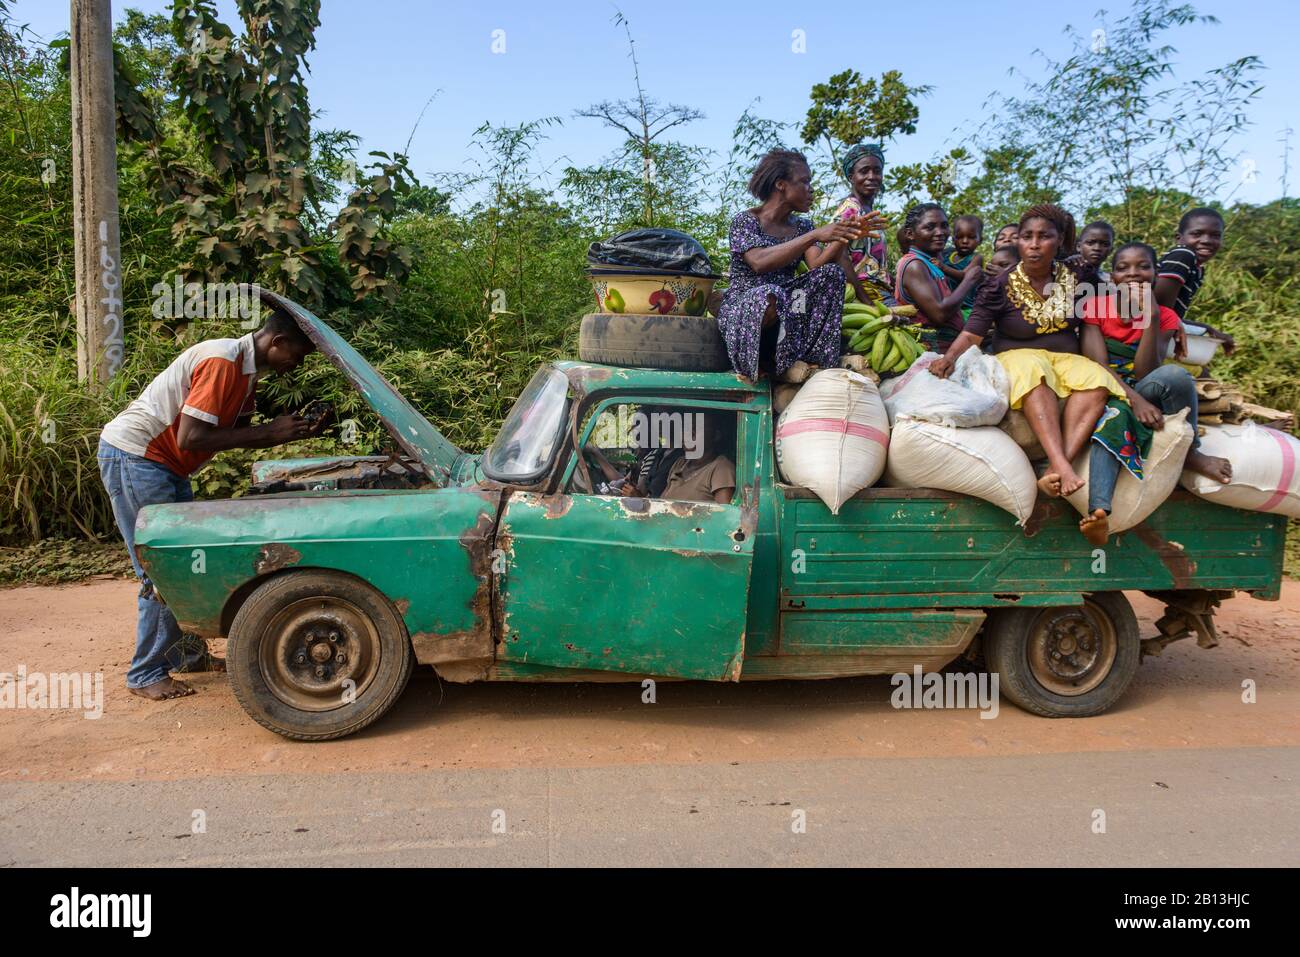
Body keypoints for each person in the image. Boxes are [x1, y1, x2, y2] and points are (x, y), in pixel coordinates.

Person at [98, 301, 326, 701]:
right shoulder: (223, 362)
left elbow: (236, 431)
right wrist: (270, 433)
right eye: (298, 354)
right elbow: (192, 437)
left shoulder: (247, 371)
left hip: (164, 465)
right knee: (162, 568)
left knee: (183, 561)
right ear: (277, 341)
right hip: (138, 459)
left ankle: (186, 656)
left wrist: (292, 430)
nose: (298, 364)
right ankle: (146, 673)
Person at [929, 204, 1127, 498]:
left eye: (1044, 236)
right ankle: (1061, 462)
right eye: (1026, 237)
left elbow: (1113, 307)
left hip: (1066, 360)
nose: (1034, 245)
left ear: (1059, 240)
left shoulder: (1079, 277)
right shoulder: (999, 284)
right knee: (1033, 370)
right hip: (1017, 357)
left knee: (1097, 379)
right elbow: (972, 332)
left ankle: (1056, 469)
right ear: (1018, 240)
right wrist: (948, 358)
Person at [1078, 242, 1234, 544]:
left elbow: (1147, 373)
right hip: (1105, 385)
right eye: (1123, 268)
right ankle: (1098, 512)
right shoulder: (1094, 308)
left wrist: (1149, 319)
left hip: (1145, 384)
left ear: (1155, 274)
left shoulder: (1165, 316)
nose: (1133, 274)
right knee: (1114, 418)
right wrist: (1133, 401)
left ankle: (1191, 453)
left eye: (1143, 267)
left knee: (1176, 375)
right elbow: (1096, 366)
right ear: (1112, 276)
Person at [716, 149, 879, 380]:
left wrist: (846, 234)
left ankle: (815, 361)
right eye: (804, 181)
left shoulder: (803, 226)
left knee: (830, 274)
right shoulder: (747, 221)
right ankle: (763, 363)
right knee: (770, 294)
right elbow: (759, 263)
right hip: (749, 306)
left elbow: (817, 265)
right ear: (781, 184)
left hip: (789, 305)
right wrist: (814, 236)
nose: (811, 189)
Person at [894, 203, 982, 353]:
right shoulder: (915, 265)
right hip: (931, 352)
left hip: (947, 349)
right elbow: (939, 314)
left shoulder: (930, 262)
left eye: (944, 226)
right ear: (910, 234)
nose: (940, 232)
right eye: (930, 227)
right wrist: (969, 280)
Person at [1155, 206, 1235, 353]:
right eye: (1197, 234)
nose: (1206, 241)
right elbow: (1160, 312)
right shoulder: (1183, 255)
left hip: (1155, 331)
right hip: (1142, 333)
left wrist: (1209, 329)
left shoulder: (1197, 269)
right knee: (1200, 372)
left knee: (1200, 370)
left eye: (1215, 235)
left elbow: (1170, 316)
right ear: (1179, 238)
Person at [829, 143, 895, 307]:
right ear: (851, 176)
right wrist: (867, 302)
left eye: (877, 171)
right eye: (864, 171)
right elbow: (839, 256)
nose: (872, 176)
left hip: (879, 291)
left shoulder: (867, 210)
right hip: (864, 292)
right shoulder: (850, 209)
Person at [661, 415, 737, 505]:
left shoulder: (721, 468)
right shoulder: (680, 463)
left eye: (696, 429)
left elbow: (725, 514)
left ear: (716, 435)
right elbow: (661, 503)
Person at [940, 214, 984, 311]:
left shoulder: (976, 258)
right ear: (953, 239)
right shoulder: (947, 254)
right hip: (946, 303)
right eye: (959, 237)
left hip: (966, 307)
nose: (965, 241)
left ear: (980, 240)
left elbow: (965, 276)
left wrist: (943, 268)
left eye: (971, 237)